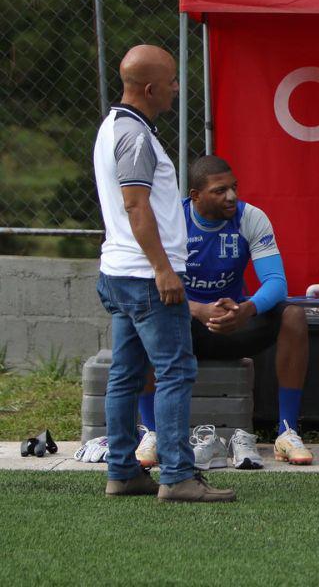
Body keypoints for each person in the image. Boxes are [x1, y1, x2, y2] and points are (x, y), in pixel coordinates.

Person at [93, 45, 234, 503]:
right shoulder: (135, 136)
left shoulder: (112, 127)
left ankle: (123, 471)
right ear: (150, 88)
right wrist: (162, 269)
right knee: (176, 371)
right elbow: (136, 205)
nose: (177, 87)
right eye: (172, 80)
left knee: (126, 375)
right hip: (144, 275)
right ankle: (176, 475)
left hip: (119, 270)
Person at [135, 155, 314, 470]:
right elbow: (151, 285)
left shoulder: (251, 218)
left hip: (234, 323)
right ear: (196, 196)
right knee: (142, 317)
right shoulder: (172, 220)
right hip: (184, 325)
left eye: (234, 188)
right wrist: (198, 309)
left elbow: (276, 282)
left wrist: (247, 309)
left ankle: (287, 432)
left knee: (293, 316)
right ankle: (151, 433)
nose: (231, 196)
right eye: (220, 190)